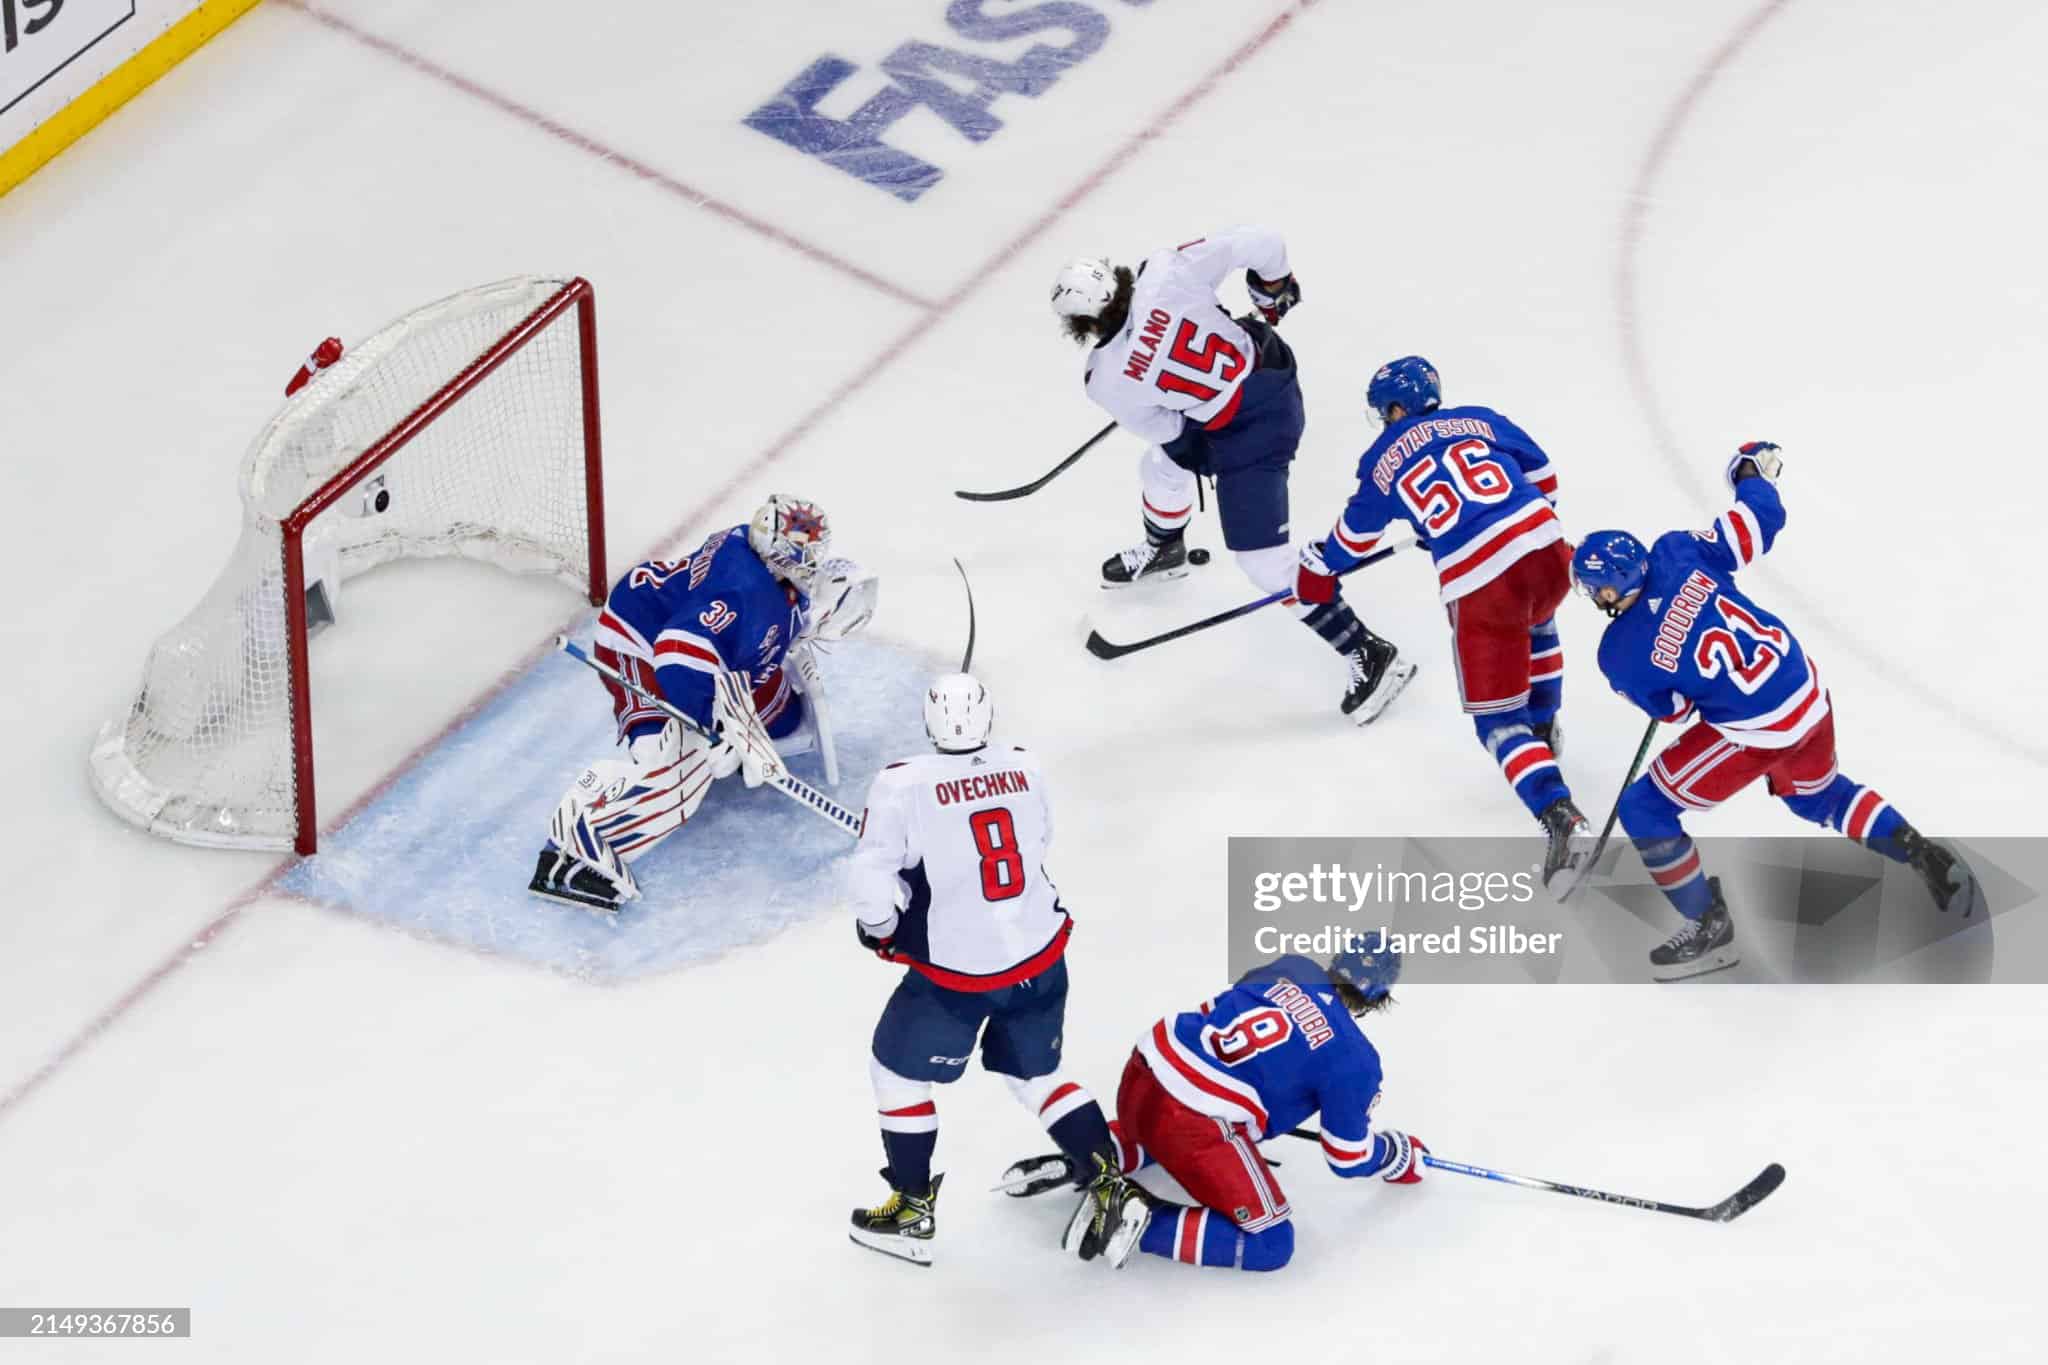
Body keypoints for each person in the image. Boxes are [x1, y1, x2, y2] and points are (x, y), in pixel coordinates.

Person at [1573, 441, 1980, 980]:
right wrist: (1749, 473)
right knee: (1817, 795)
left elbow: (1672, 710)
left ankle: (1708, 926)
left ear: (1605, 590)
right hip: (1806, 689)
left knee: (1645, 809)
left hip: (1759, 730)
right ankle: (1919, 849)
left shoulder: (1619, 652)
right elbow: (1760, 519)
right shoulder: (1676, 551)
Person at [1050, 229, 1415, 724]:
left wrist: (1190, 410)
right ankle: (1166, 547)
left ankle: (1368, 652)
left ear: (1081, 324)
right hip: (1272, 367)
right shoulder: (1163, 270)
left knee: (1262, 562)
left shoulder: (1104, 379)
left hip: (1257, 435)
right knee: (1158, 469)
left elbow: (1173, 430)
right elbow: (1262, 241)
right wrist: (1273, 286)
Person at [845, 673, 1130, 1265]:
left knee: (894, 1073)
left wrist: (883, 930)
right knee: (1038, 1078)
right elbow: (1039, 840)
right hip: (1041, 951)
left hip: (959, 977)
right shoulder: (1025, 766)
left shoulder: (903, 783)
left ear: (928, 721)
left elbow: (871, 885)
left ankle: (909, 1208)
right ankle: (1109, 1182)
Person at [1301, 356, 1590, 894]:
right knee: (1538, 615)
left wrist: (1322, 561)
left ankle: (1557, 813)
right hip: (1549, 548)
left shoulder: (1382, 456)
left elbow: (1353, 541)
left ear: (1394, 408)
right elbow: (1544, 474)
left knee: (1497, 721)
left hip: (1481, 581)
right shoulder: (1479, 418)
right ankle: (1545, 728)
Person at [528, 495, 877, 912]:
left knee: (781, 723)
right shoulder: (743, 589)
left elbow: (732, 631)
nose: (808, 566)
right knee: (679, 775)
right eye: (799, 557)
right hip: (639, 642)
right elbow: (675, 656)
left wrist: (739, 718)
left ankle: (714, 729)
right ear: (776, 551)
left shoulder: (762, 566)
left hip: (698, 638)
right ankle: (570, 847)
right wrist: (707, 730)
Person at [999, 938, 1426, 1271]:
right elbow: (1348, 1157)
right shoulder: (1356, 1059)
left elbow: (1238, 1016)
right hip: (1196, 1123)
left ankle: (1086, 1160)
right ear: (1378, 999)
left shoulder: (1292, 967)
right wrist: (1396, 1155)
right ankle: (1129, 1220)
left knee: (1163, 1135)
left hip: (1143, 1074)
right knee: (1271, 1243)